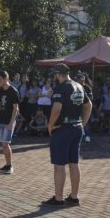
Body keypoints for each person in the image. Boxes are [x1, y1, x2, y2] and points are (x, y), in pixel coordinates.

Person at [43, 63, 91, 206]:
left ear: (58, 74)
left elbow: (57, 108)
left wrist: (50, 125)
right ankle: (74, 196)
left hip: (62, 129)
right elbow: (88, 105)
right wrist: (83, 123)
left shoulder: (61, 88)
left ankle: (58, 198)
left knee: (59, 165)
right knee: (74, 163)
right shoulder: (79, 86)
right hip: (76, 127)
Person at [0, 70, 20, 175]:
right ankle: (7, 165)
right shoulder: (0, 91)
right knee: (3, 144)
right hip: (1, 120)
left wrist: (11, 123)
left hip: (9, 121)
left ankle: (9, 166)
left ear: (6, 79)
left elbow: (16, 108)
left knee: (5, 144)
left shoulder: (13, 91)